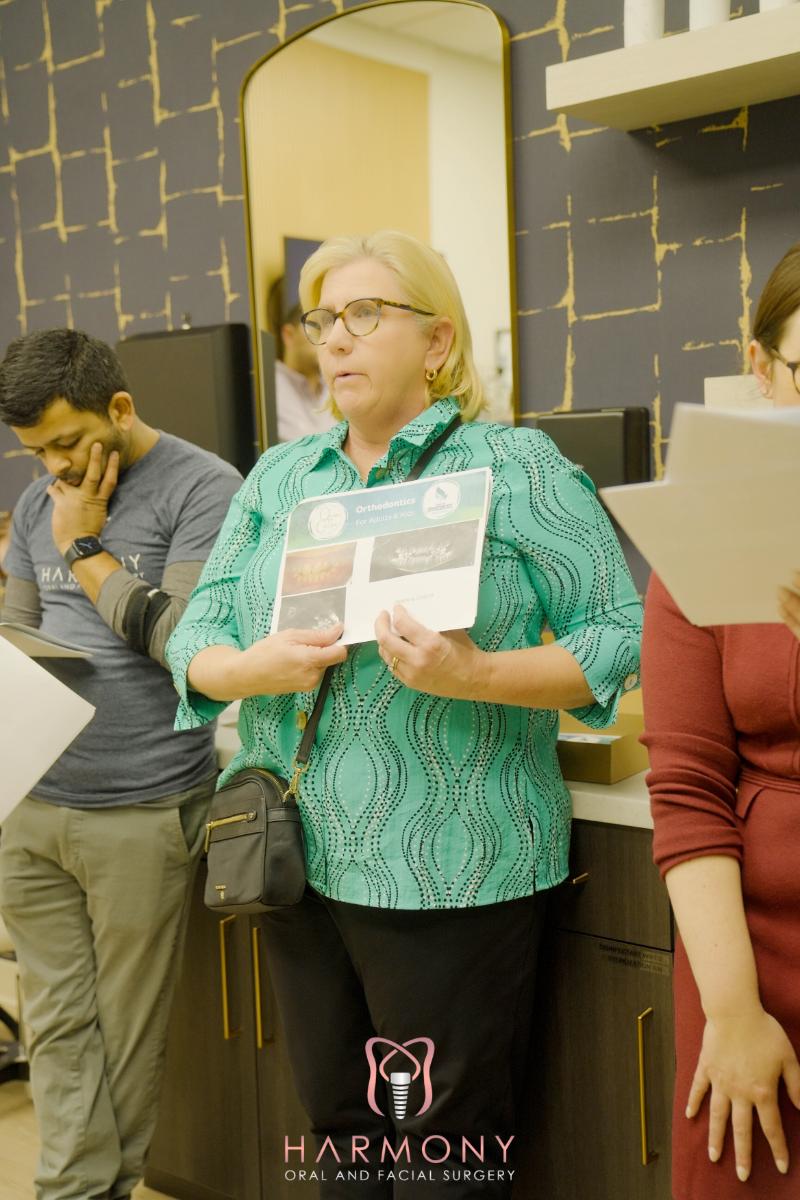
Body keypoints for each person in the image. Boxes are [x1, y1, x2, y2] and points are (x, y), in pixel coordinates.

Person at [167, 230, 643, 1198]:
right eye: (320, 321)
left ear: (435, 341)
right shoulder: (280, 478)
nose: (333, 340)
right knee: (336, 1126)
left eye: (363, 315)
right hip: (297, 858)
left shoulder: (513, 466)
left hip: (452, 863)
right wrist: (253, 666)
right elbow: (194, 639)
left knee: (441, 1143)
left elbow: (618, 633)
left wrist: (475, 676)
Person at [0, 328, 241, 1200]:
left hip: (142, 806)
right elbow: (18, 644)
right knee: (58, 1026)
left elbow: (188, 644)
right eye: (36, 453)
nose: (55, 468)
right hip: (32, 802)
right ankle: (74, 1192)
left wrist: (82, 545)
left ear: (121, 409)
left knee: (126, 1031)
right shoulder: (34, 507)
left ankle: (93, 1190)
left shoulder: (207, 490)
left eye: (67, 443)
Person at [641, 242, 800, 1199]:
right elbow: (689, 790)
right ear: (761, 367)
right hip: (745, 954)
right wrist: (732, 1014)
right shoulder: (705, 538)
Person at [267, 274, 335, 441]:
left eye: (329, 326)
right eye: (315, 327)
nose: (326, 338)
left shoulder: (332, 384)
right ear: (288, 335)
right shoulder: (269, 386)